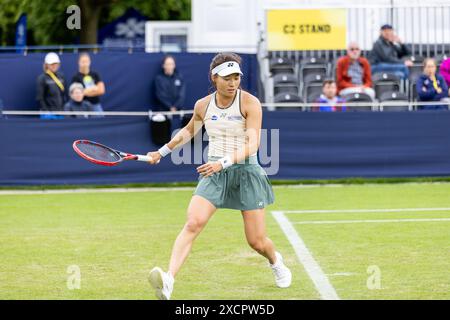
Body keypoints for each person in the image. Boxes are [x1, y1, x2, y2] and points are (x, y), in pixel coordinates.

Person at [145, 52, 292, 300]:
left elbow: (253, 144)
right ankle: (169, 280)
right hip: (214, 171)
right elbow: (187, 132)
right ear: (214, 78)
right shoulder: (203, 105)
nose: (232, 82)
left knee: (256, 242)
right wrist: (161, 152)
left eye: (236, 77)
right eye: (226, 78)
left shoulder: (250, 103)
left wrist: (222, 163)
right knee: (193, 223)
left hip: (246, 170)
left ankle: (276, 261)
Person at [36, 52, 67, 119]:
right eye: (51, 64)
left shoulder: (62, 76)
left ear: (58, 64)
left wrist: (64, 109)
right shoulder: (42, 78)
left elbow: (64, 94)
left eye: (55, 63)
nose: (54, 66)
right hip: (48, 114)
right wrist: (46, 111)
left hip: (61, 112)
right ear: (47, 65)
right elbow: (40, 98)